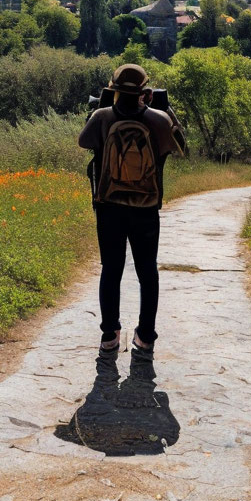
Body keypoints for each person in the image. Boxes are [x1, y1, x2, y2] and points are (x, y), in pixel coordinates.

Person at [78, 63, 183, 359]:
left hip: (109, 206)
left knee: (111, 270)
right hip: (145, 208)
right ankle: (146, 337)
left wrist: (99, 109)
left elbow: (84, 141)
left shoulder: (102, 116)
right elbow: (176, 147)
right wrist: (164, 110)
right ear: (144, 91)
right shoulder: (159, 119)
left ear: (113, 88)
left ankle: (110, 336)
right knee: (147, 271)